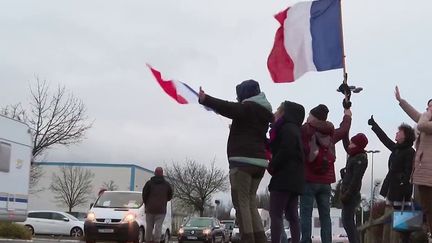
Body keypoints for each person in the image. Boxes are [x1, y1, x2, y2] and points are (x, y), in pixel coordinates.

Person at [198, 80, 273, 243]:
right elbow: (250, 127)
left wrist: (206, 99)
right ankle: (260, 238)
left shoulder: (248, 107)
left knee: (242, 203)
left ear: (245, 94)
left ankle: (247, 239)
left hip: (242, 163)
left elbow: (228, 107)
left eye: (239, 95)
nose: (238, 98)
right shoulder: (264, 111)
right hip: (259, 163)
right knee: (251, 202)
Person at [300, 104, 352, 243]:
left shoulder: (306, 130)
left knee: (306, 214)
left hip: (308, 180)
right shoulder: (331, 133)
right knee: (325, 216)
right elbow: (344, 129)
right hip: (326, 181)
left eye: (309, 115)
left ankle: (305, 240)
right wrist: (347, 114)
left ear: (313, 117)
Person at [368, 115, 416, 243]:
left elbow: (409, 172)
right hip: (391, 192)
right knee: (387, 229)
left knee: (398, 231)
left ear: (405, 136)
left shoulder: (409, 152)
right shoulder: (397, 149)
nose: (396, 133)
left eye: (399, 131)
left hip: (401, 196)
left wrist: (402, 183)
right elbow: (385, 140)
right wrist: (375, 126)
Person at [395, 86, 432, 235]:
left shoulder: (426, 122)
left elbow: (422, 124)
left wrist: (426, 114)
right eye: (428, 106)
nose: (429, 109)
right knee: (428, 208)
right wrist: (401, 101)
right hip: (423, 175)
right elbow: (414, 114)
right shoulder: (425, 120)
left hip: (429, 174)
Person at [268, 101, 305, 243]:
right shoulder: (295, 129)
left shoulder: (286, 128)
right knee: (292, 216)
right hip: (296, 180)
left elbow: (285, 150)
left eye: (277, 110)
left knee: (276, 214)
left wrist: (272, 165)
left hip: (283, 178)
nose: (275, 113)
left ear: (284, 113)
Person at [340, 133, 369, 243]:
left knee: (348, 222)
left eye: (352, 143)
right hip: (348, 192)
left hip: (351, 195)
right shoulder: (354, 155)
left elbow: (356, 180)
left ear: (357, 145)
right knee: (348, 221)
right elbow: (346, 144)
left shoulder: (360, 158)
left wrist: (347, 194)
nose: (349, 144)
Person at [142, 167, 173, 243]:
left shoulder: (149, 183)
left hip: (150, 209)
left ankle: (148, 240)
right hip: (161, 210)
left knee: (149, 226)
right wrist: (164, 201)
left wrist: (147, 203)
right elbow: (170, 196)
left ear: (155, 173)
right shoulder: (167, 185)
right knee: (158, 227)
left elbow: (144, 195)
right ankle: (157, 240)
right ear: (162, 173)